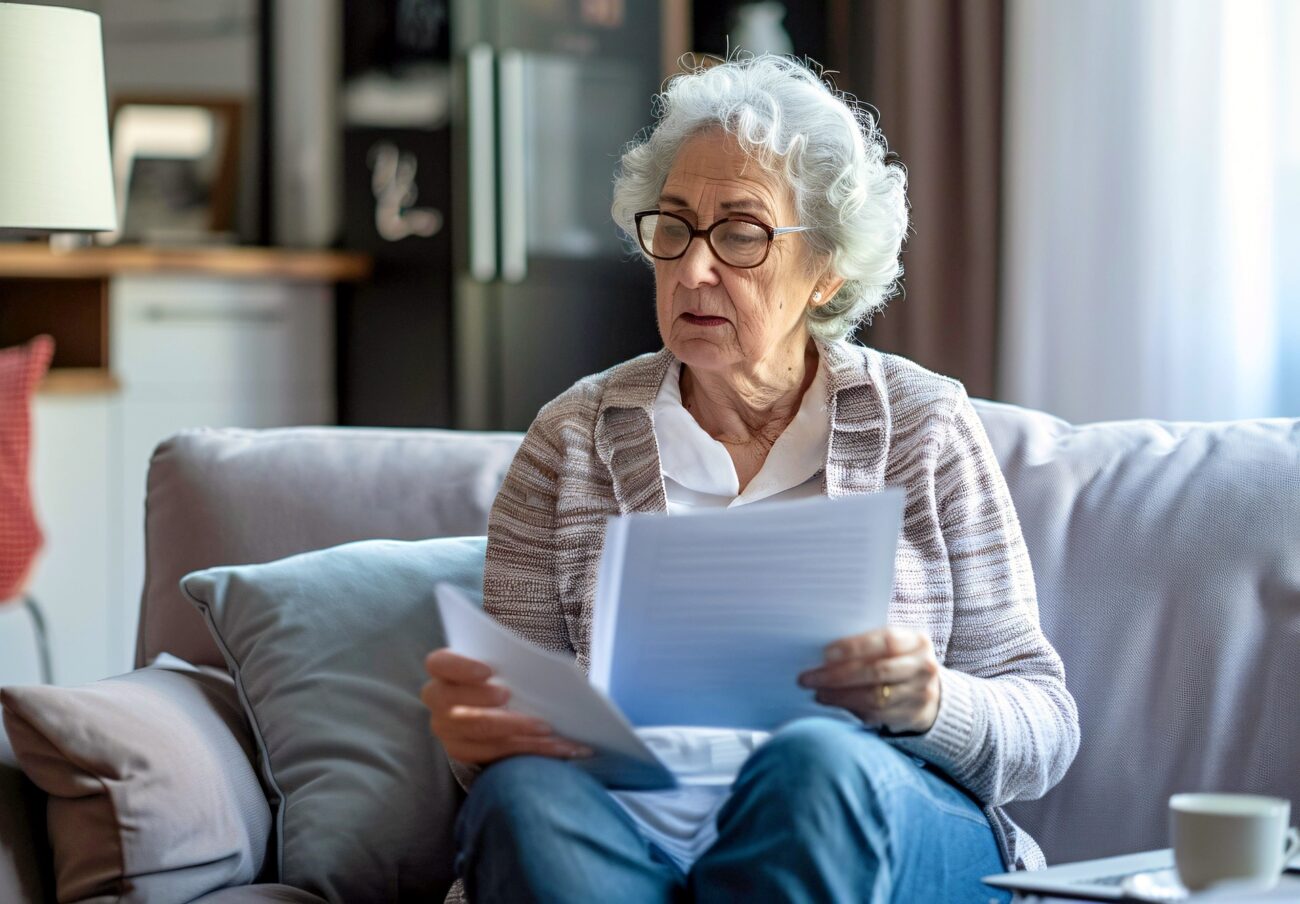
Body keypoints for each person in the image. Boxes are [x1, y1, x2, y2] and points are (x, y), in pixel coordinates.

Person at [421, 54, 1079, 903]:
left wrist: (929, 702)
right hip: (635, 844)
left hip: (865, 818)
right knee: (522, 799)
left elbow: (1045, 726)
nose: (694, 270)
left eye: (741, 233)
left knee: (814, 761)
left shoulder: (923, 424)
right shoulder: (570, 441)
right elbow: (516, 740)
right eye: (675, 228)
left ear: (828, 270)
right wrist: (482, 740)